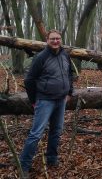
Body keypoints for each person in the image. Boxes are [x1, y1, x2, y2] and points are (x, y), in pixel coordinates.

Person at [20, 29, 73, 176]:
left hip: (61, 100)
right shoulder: (41, 57)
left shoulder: (65, 55)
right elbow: (29, 80)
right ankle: (23, 164)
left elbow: (69, 74)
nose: (55, 41)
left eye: (58, 38)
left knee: (56, 130)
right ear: (47, 40)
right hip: (45, 100)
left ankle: (52, 158)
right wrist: (34, 101)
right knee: (36, 133)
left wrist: (69, 92)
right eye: (52, 39)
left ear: (60, 39)